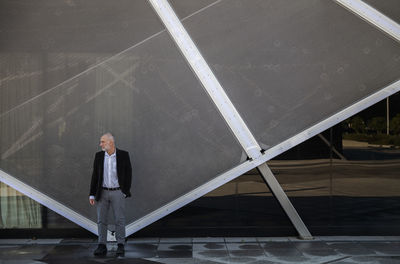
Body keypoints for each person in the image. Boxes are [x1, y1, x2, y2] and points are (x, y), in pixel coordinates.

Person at [89, 133, 132, 256]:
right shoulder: (99, 156)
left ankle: (120, 245)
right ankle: (101, 245)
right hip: (102, 192)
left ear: (111, 143)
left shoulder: (123, 155)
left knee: (119, 219)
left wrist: (125, 192)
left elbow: (129, 174)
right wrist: (92, 194)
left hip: (118, 192)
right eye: (101, 142)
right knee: (101, 220)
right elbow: (95, 176)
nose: (100, 144)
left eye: (103, 142)